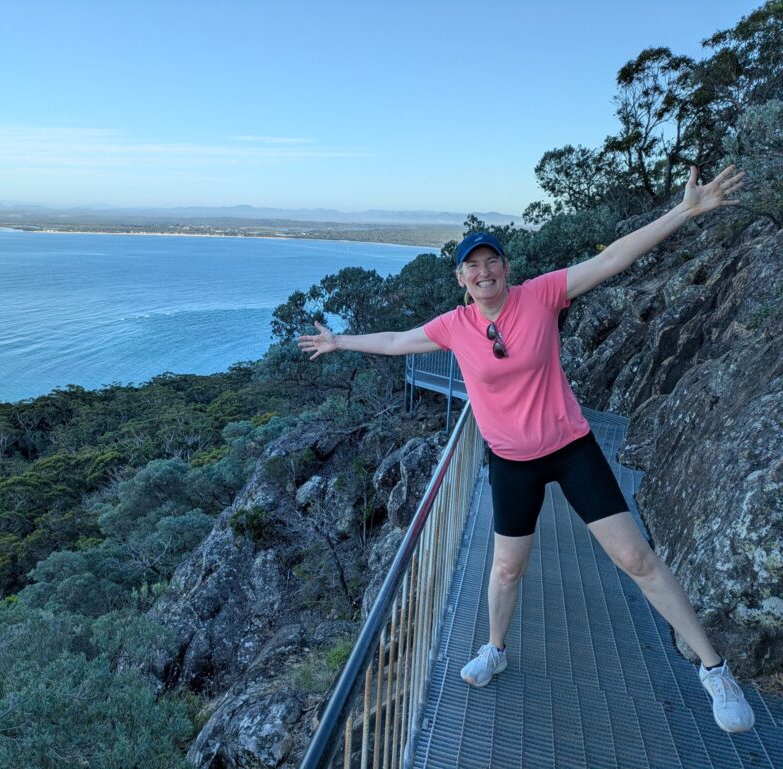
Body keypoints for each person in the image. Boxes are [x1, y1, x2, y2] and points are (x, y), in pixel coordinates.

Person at [296, 164, 755, 734]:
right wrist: (339, 341)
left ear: (506, 268)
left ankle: (715, 671)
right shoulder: (454, 326)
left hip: (570, 448)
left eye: (492, 261)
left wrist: (685, 210)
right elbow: (394, 341)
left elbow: (613, 258)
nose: (483, 272)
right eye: (472, 266)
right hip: (511, 462)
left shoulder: (541, 295)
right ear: (461, 279)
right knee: (507, 568)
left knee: (636, 558)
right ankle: (495, 649)